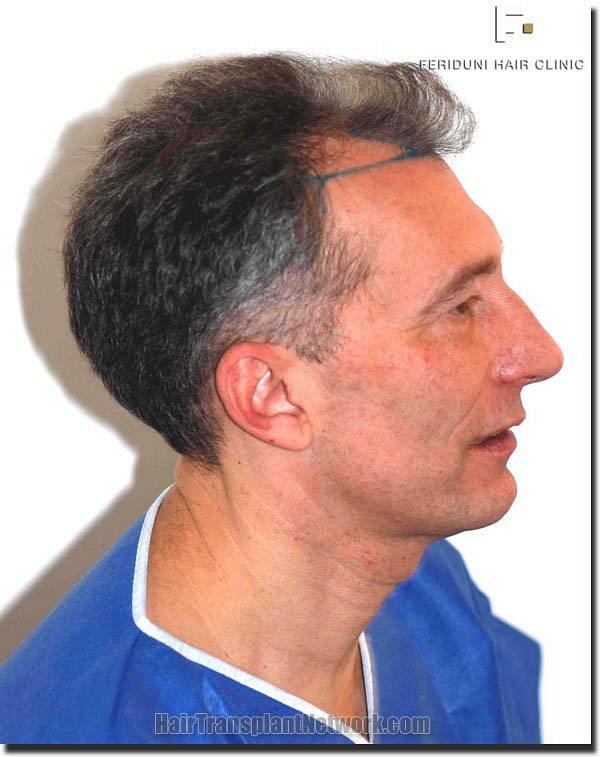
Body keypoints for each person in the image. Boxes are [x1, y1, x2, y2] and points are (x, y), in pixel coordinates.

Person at [0, 53, 563, 745]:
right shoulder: (86, 734)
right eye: (459, 308)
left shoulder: (417, 583)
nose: (539, 354)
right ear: (273, 396)